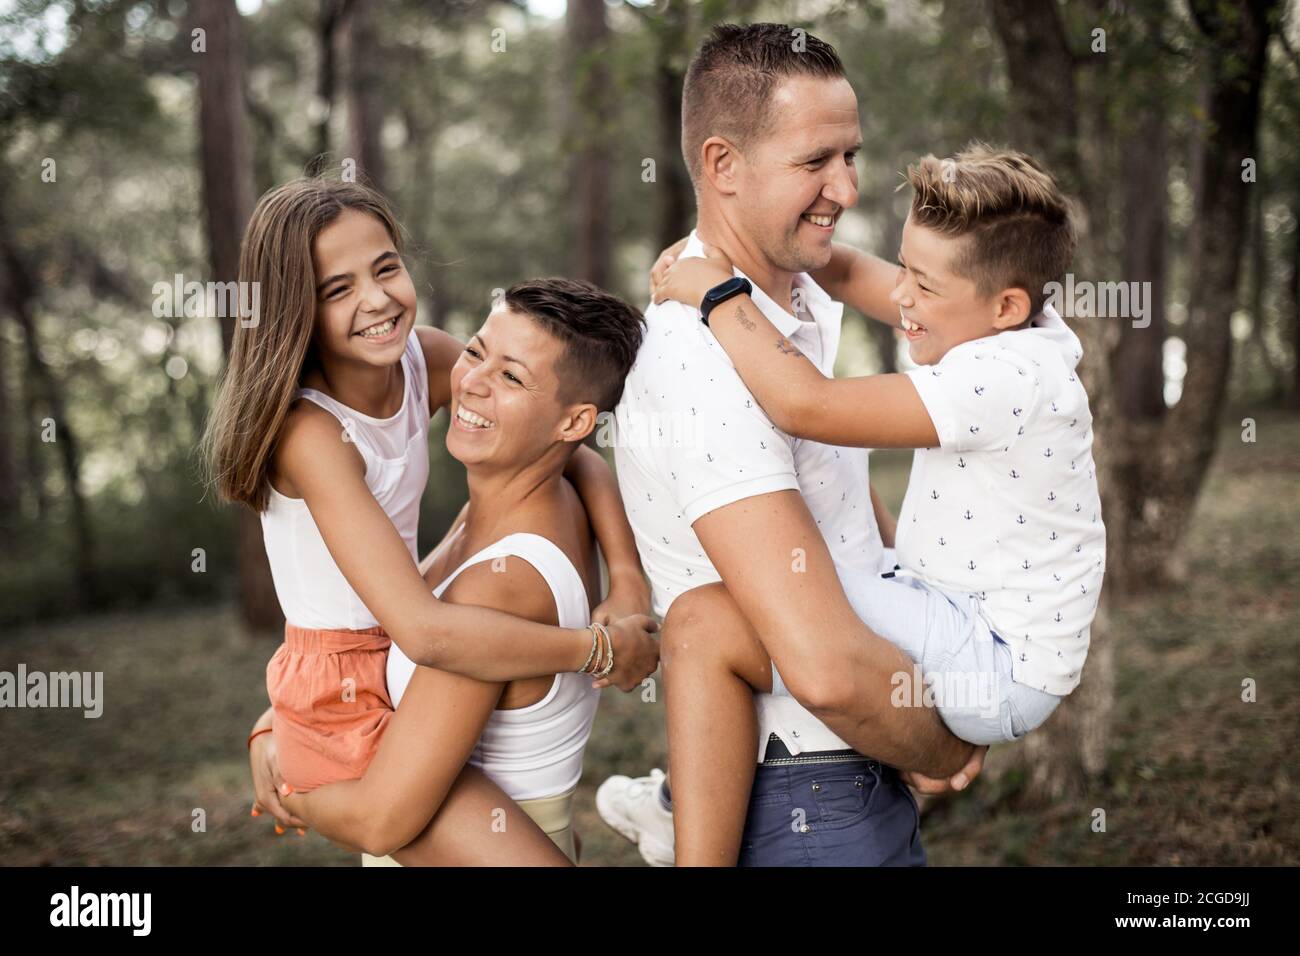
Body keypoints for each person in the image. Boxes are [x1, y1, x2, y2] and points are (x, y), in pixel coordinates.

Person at [649, 142, 1105, 865]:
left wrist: (714, 292)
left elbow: (808, 405)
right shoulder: (1014, 319)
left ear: (1004, 306)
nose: (901, 299)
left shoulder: (1003, 379)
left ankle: (681, 809)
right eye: (907, 271)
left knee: (725, 613)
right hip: (976, 630)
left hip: (993, 662)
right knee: (778, 591)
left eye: (922, 287)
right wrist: (722, 244)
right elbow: (854, 270)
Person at [595, 22, 981, 868]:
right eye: (816, 162)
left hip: (853, 761)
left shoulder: (791, 293)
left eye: (851, 156)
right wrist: (947, 746)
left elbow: (839, 502)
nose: (845, 187)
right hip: (805, 792)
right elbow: (827, 669)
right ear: (723, 164)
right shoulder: (699, 361)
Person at [206, 177, 657, 864]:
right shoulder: (311, 434)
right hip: (347, 679)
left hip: (393, 636)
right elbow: (425, 630)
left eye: (385, 268)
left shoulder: (427, 359)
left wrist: (625, 584)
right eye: (338, 289)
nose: (377, 298)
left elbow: (571, 452)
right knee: (399, 828)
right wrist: (595, 648)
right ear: (298, 308)